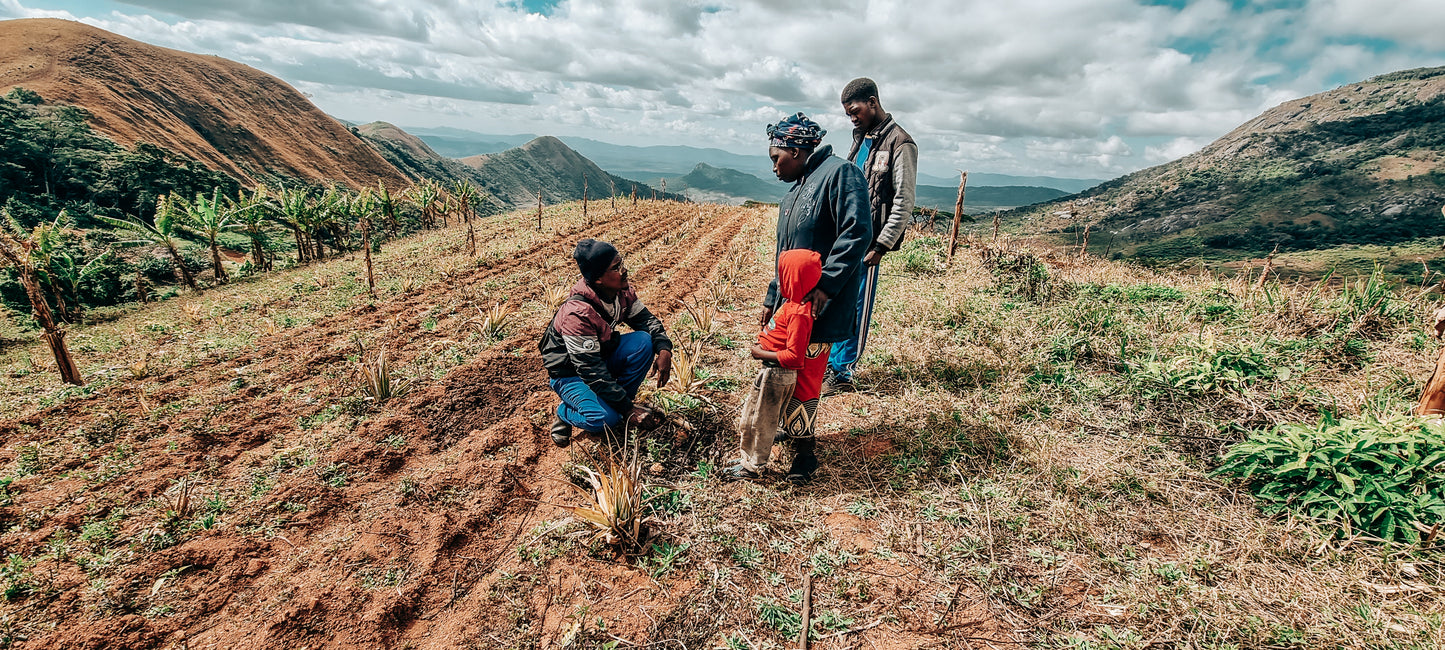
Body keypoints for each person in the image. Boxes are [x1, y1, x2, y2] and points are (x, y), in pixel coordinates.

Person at [756, 113, 872, 483]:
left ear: (796, 149)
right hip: (790, 307)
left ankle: (805, 456)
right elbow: (784, 253)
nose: (774, 166)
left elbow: (857, 232)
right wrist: (772, 298)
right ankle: (788, 433)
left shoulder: (840, 175)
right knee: (784, 371)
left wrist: (826, 285)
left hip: (818, 304)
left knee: (806, 377)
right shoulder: (794, 192)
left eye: (777, 157)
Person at [825, 77, 918, 394]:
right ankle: (827, 363)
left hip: (869, 242)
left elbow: (904, 201)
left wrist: (882, 244)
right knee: (836, 299)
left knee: (858, 304)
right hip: (842, 237)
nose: (852, 118)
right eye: (848, 114)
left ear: (873, 102)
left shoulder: (900, 143)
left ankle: (842, 372)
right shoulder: (860, 138)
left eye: (855, 111)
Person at [539, 239, 673, 447]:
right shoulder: (577, 314)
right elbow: (589, 369)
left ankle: (617, 406)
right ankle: (564, 412)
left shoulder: (621, 292)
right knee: (603, 419)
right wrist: (628, 409)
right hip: (570, 374)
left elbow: (645, 320)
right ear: (599, 279)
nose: (624, 270)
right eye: (616, 267)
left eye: (621, 263)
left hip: (599, 357)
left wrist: (664, 348)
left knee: (643, 342)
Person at [725, 249, 824, 480]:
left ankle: (753, 467)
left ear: (795, 279)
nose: (779, 282)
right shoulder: (792, 303)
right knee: (752, 418)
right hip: (771, 372)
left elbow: (795, 357)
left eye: (784, 276)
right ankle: (746, 460)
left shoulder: (800, 313)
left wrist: (761, 353)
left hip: (777, 375)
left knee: (762, 423)